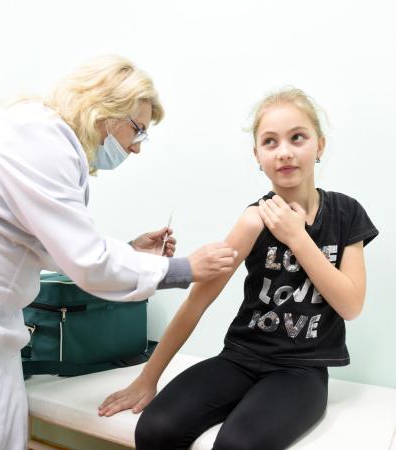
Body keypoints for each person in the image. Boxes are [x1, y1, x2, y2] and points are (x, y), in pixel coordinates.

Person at [0, 55, 236, 450]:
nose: (135, 148)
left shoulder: (41, 137)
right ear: (105, 109)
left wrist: (134, 251)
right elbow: (86, 260)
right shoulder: (38, 138)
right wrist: (184, 268)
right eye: (138, 131)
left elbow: (51, 246)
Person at [99, 87, 379, 450]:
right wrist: (148, 377)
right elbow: (197, 302)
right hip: (241, 358)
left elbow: (351, 305)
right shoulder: (252, 221)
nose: (285, 152)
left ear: (320, 145)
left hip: (301, 370)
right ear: (257, 155)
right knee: (155, 429)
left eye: (297, 137)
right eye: (270, 142)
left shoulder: (346, 214)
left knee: (238, 445)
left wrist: (298, 238)